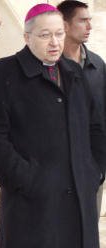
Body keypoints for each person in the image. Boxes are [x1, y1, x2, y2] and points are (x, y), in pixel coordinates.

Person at [0, 3, 106, 248]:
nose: (54, 42)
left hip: (79, 199)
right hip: (31, 205)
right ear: (27, 37)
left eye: (59, 34)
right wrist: (26, 180)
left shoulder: (73, 72)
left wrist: (95, 172)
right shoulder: (4, 72)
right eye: (45, 35)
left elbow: (96, 127)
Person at [57, 0, 106, 218]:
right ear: (65, 25)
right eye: (82, 20)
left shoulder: (97, 65)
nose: (89, 26)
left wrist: (99, 167)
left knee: (88, 231)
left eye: (90, 21)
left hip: (91, 168)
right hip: (55, 169)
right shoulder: (48, 65)